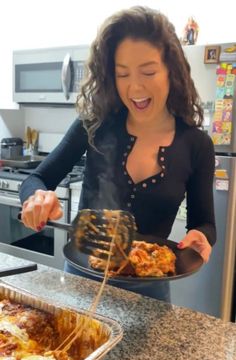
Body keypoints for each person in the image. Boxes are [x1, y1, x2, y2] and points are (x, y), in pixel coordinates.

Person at [19, 6, 216, 301]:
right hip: (81, 284)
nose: (134, 87)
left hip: (149, 294)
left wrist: (202, 237)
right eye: (122, 73)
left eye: (148, 71)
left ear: (171, 71)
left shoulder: (196, 145)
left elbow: (205, 224)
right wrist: (36, 198)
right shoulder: (94, 125)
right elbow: (36, 178)